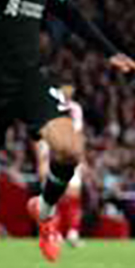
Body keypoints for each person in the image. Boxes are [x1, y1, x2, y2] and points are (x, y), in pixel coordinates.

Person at [0, 0, 135, 262]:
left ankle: (44, 208)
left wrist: (111, 52)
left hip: (28, 78)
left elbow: (72, 15)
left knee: (69, 149)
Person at [34, 79, 85, 247]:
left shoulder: (75, 108)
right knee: (53, 195)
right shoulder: (47, 107)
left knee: (74, 193)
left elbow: (78, 134)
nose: (69, 91)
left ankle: (73, 232)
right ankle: (54, 233)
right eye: (67, 88)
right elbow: (39, 137)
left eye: (72, 89)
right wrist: (41, 160)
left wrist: (82, 159)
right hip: (49, 154)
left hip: (70, 154)